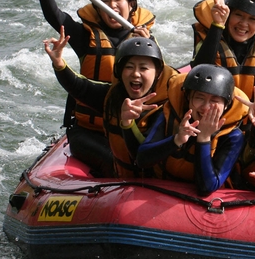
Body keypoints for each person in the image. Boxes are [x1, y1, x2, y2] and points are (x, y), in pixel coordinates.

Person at [27, 0, 158, 176]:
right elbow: (53, 14)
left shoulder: (145, 39)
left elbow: (160, 79)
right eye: (105, 1)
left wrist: (150, 46)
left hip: (126, 128)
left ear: (132, 5)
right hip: (88, 132)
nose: (113, 5)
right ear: (97, 8)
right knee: (117, 163)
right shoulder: (84, 36)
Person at [44, 29, 177, 178]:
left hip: (160, 184)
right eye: (129, 67)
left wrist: (129, 124)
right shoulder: (113, 97)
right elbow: (81, 88)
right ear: (119, 71)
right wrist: (59, 63)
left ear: (158, 73)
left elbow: (145, 156)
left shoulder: (171, 105)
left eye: (144, 68)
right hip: (122, 182)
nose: (135, 73)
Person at [134, 64, 249, 196]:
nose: (205, 107)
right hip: (163, 190)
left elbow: (206, 188)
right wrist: (177, 140)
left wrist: (204, 138)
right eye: (199, 98)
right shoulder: (169, 115)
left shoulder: (233, 135)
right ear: (188, 98)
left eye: (215, 100)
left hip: (201, 206)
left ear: (226, 105)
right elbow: (141, 160)